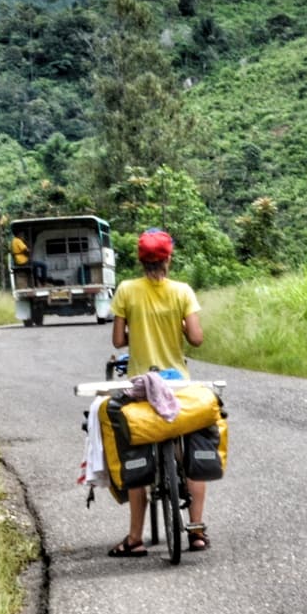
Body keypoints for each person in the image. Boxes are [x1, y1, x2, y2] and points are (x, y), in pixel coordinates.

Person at [107, 227, 210, 556]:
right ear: (169, 258)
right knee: (193, 446)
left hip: (141, 386)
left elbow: (118, 341)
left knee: (135, 449)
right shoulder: (182, 292)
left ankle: (135, 538)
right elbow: (196, 339)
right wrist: (178, 324)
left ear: (140, 260)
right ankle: (195, 531)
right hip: (177, 383)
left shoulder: (126, 290)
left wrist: (139, 325)